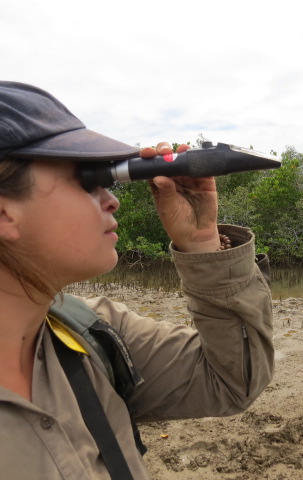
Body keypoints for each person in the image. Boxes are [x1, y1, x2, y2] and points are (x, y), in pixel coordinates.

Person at [0, 81, 274, 479]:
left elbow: (233, 382)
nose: (112, 199)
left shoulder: (95, 335)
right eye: (87, 178)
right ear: (5, 214)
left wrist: (202, 242)